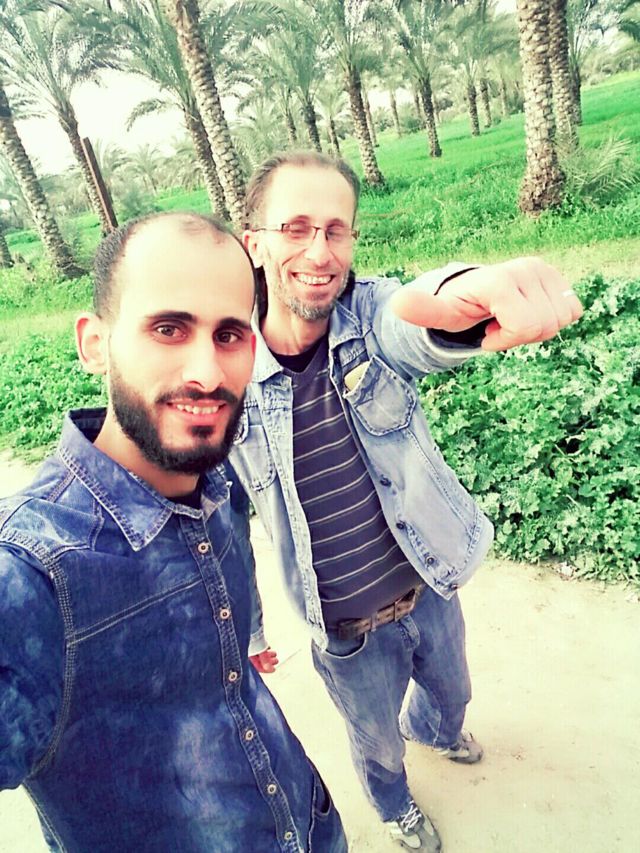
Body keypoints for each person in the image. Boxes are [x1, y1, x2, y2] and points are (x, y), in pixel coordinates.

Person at [229, 151, 584, 852]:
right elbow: (231, 524)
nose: (319, 251)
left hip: (430, 587)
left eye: (336, 229)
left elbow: (415, 319)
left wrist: (471, 296)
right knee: (376, 744)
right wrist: (253, 630)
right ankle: (394, 806)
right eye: (295, 228)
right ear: (255, 243)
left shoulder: (368, 316)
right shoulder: (229, 377)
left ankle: (437, 731)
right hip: (346, 631)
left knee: (452, 699)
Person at [0, 212, 347, 852]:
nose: (207, 374)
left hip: (308, 825)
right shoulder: (31, 573)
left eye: (229, 334)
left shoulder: (212, 483)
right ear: (95, 344)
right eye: (168, 329)